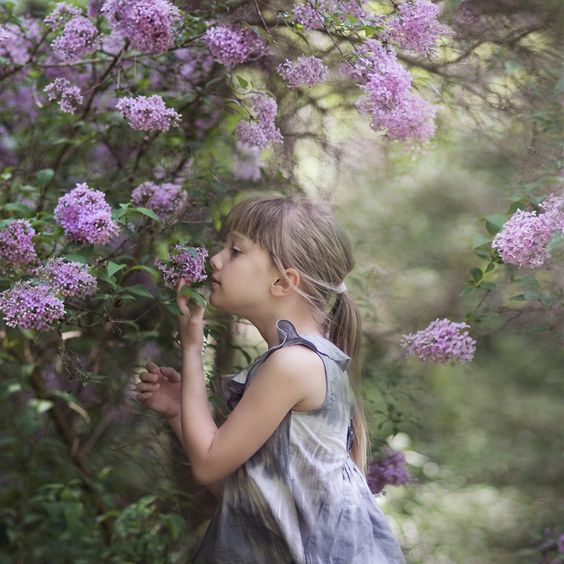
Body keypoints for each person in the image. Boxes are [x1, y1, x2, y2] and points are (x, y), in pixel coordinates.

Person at [136, 194, 405, 563]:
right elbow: (245, 499)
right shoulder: (299, 361)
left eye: (235, 250)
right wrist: (179, 412)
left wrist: (191, 350)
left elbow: (207, 464)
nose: (215, 259)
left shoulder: (294, 364)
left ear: (282, 281)